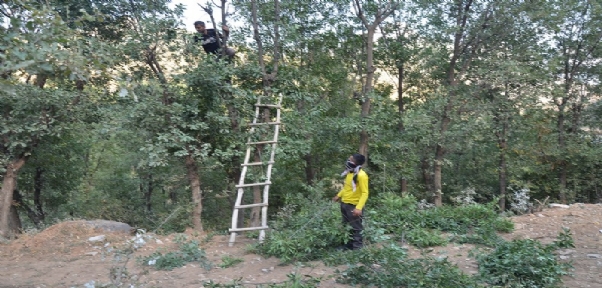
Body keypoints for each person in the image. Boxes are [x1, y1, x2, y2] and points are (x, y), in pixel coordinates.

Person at [332, 153, 369, 250]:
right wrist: (338, 195)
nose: (348, 161)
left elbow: (365, 193)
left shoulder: (362, 176)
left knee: (357, 227)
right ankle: (347, 245)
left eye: (351, 160)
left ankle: (357, 248)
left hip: (354, 206)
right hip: (344, 204)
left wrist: (359, 208)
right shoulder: (350, 173)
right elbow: (346, 188)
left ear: (356, 163)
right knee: (346, 226)